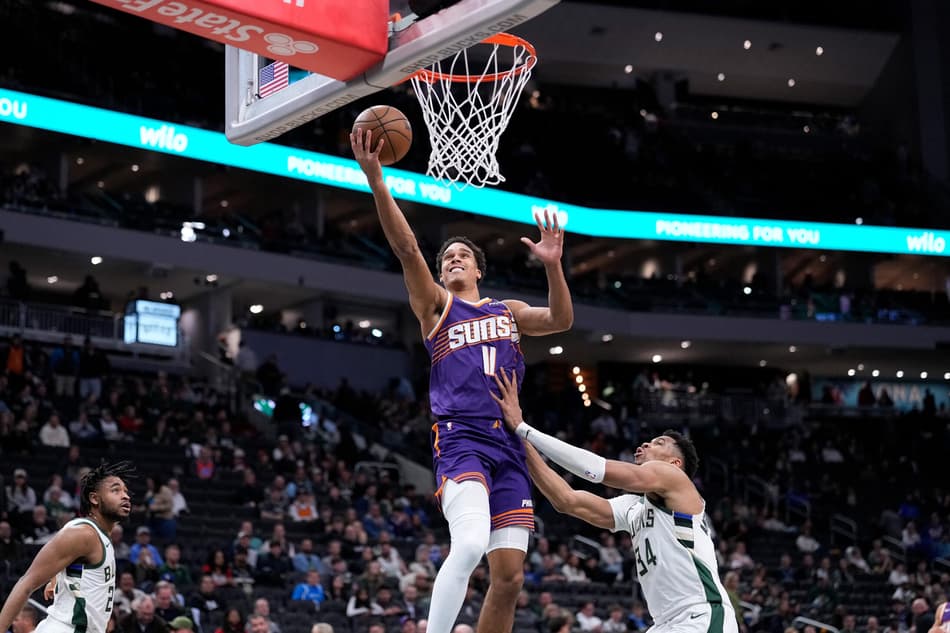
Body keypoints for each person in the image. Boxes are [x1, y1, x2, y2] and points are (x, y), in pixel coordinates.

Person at [351, 128, 574, 633]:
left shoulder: (508, 310)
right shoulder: (436, 308)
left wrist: (554, 268)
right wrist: (376, 180)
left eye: (462, 257)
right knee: (470, 543)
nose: (452, 259)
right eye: (446, 257)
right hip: (461, 440)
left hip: (510, 444)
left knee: (511, 577)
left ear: (478, 269)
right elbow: (407, 249)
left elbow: (561, 320)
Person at [489, 370, 738, 633]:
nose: (646, 444)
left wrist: (523, 429)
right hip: (666, 623)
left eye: (658, 443)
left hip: (700, 615)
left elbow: (596, 469)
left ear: (675, 463)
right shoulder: (633, 506)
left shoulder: (675, 478)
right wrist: (518, 443)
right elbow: (567, 500)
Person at [0, 461, 135, 633]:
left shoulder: (98, 536)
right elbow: (26, 583)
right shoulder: (83, 534)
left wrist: (57, 576)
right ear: (94, 498)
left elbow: (72, 562)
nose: (125, 496)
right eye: (116, 490)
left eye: (125, 491)